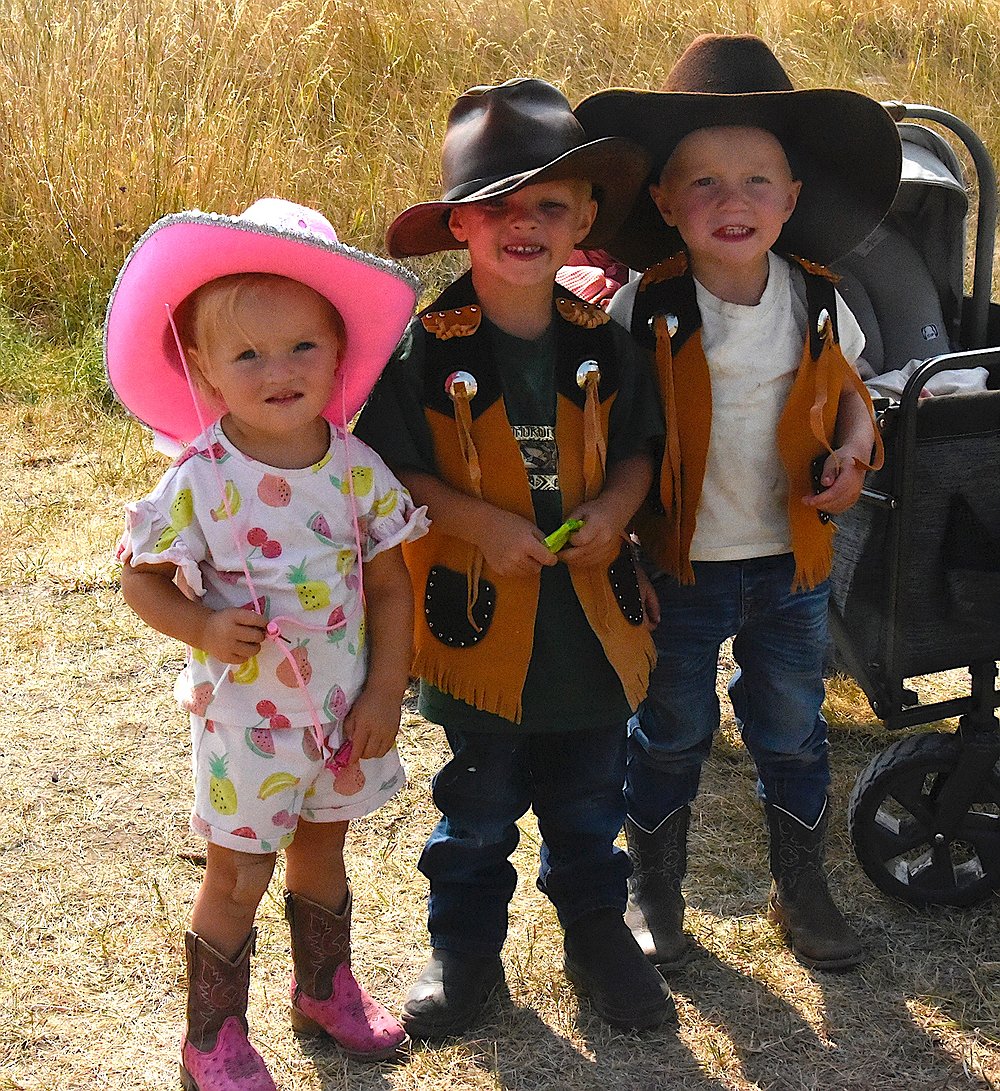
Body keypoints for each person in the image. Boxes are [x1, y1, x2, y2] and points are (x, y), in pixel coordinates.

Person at [354, 78, 672, 1036]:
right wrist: (480, 524)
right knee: (479, 804)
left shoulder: (605, 340)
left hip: (590, 619)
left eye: (549, 205)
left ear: (586, 220)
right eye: (497, 206)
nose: (523, 224)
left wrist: (616, 511)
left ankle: (598, 935)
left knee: (591, 798)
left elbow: (640, 448)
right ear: (459, 223)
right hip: (479, 617)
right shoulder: (424, 348)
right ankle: (464, 950)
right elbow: (393, 468)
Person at [575, 35, 899, 971]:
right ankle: (655, 887)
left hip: (792, 562)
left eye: (757, 181)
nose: (733, 201)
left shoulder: (819, 300)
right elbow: (612, 439)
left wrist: (853, 448)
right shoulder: (643, 309)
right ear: (664, 203)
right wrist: (621, 546)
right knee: (670, 728)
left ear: (790, 200)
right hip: (679, 565)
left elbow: (852, 392)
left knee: (791, 725)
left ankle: (801, 886)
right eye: (705, 183)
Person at [107, 198, 430, 1090]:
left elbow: (392, 584)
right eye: (247, 354)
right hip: (248, 725)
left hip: (342, 711)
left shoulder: (356, 468)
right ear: (202, 367)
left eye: (301, 347)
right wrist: (204, 627)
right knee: (239, 873)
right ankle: (211, 1039)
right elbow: (139, 577)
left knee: (323, 849)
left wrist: (385, 690)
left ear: (340, 350)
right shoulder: (199, 480)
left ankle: (323, 989)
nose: (278, 371)